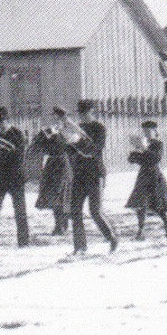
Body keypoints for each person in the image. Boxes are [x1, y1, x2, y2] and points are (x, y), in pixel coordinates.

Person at [65, 100, 117, 254]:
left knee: (95, 211)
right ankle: (80, 247)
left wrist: (78, 142)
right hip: (80, 173)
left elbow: (95, 149)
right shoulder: (78, 128)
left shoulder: (99, 128)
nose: (82, 116)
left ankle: (111, 237)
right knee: (75, 211)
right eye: (81, 113)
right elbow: (71, 151)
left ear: (91, 112)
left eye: (85, 113)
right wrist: (68, 141)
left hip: (95, 173)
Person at [0, 107, 30, 248]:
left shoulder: (17, 133)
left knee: (20, 210)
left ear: (7, 120)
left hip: (15, 177)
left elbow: (19, 156)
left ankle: (23, 241)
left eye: (1, 122)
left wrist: (0, 155)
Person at [125, 120, 167, 239]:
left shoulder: (158, 144)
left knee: (158, 204)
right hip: (143, 176)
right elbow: (132, 158)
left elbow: (155, 159)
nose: (147, 134)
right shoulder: (142, 144)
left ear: (155, 131)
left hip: (155, 176)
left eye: (149, 131)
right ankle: (141, 231)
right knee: (140, 204)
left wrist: (143, 152)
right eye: (145, 131)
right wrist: (140, 153)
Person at [33, 110, 73, 235]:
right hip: (52, 164)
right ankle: (59, 225)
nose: (57, 121)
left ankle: (62, 225)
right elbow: (38, 146)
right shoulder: (48, 131)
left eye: (60, 119)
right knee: (54, 195)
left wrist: (59, 135)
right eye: (55, 118)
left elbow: (71, 148)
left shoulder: (67, 132)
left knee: (62, 194)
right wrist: (45, 136)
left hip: (64, 164)